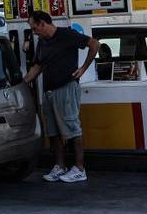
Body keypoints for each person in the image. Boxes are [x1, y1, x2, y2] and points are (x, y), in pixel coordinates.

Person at [21, 11, 99, 183]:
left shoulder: (67, 34)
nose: (34, 32)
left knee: (72, 127)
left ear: (43, 23)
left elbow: (94, 44)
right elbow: (38, 66)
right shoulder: (42, 42)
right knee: (53, 130)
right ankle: (60, 166)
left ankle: (79, 168)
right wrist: (22, 83)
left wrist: (83, 68)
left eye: (34, 28)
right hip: (48, 90)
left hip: (66, 87)